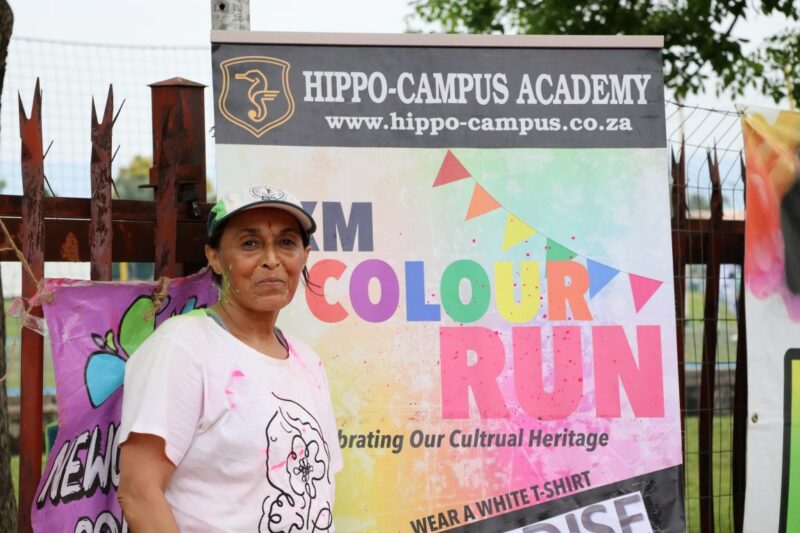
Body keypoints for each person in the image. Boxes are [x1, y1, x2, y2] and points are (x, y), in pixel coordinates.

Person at [118, 185, 343, 532]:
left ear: (305, 255)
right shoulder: (182, 349)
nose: (272, 260)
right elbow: (138, 493)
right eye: (250, 244)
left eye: (286, 243)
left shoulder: (308, 363)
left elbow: (318, 490)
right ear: (215, 257)